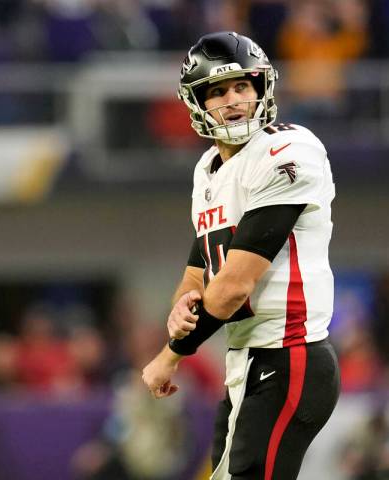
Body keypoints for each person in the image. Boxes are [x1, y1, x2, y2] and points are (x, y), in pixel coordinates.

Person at [142, 31, 340, 480]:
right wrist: (180, 308)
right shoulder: (209, 168)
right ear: (198, 103)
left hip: (290, 353)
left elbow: (232, 287)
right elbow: (200, 268)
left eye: (241, 86)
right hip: (247, 358)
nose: (232, 99)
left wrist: (171, 354)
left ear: (260, 89)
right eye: (217, 91)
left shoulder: (287, 150)